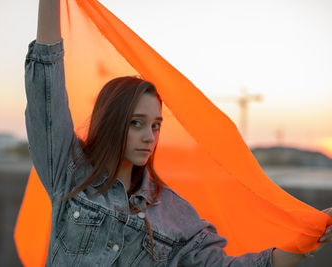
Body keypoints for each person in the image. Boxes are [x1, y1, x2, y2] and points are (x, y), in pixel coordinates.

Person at [24, 0, 332, 266]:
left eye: (156, 125)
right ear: (111, 121)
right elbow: (45, 87)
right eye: (137, 123)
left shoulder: (174, 213)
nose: (150, 137)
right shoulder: (71, 173)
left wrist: (306, 242)